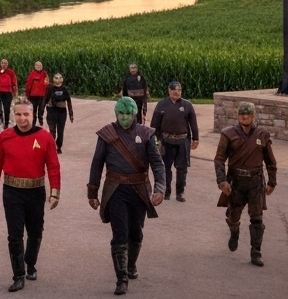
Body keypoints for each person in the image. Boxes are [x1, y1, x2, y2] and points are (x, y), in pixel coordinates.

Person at [88, 97, 166, 295]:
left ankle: (131, 265)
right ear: (116, 114)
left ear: (135, 115)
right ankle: (121, 278)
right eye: (121, 114)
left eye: (128, 114)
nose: (124, 118)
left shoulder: (146, 134)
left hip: (139, 189)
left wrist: (160, 188)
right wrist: (92, 192)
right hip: (115, 189)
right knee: (119, 234)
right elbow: (97, 163)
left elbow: (157, 163)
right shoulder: (107, 134)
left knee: (136, 232)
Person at [0, 101, 61, 292]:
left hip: (36, 192)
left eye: (26, 115)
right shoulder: (5, 137)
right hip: (12, 192)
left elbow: (53, 166)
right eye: (18, 115)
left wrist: (55, 192)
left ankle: (31, 263)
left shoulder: (44, 137)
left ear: (33, 115)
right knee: (15, 235)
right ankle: (18, 275)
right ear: (14, 116)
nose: (22, 118)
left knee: (35, 232)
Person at [214, 101, 277, 267]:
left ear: (253, 116)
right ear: (238, 115)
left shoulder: (262, 135)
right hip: (236, 181)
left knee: (257, 218)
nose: (244, 116)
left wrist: (272, 181)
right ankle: (234, 231)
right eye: (242, 113)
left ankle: (256, 252)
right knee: (232, 215)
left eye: (248, 114)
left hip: (256, 181)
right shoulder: (228, 134)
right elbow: (220, 159)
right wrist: (221, 180)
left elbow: (270, 161)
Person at [149, 81, 200, 201]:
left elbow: (193, 124)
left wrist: (196, 138)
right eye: (174, 90)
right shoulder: (161, 105)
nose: (176, 92)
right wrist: (155, 140)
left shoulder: (187, 105)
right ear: (169, 91)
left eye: (179, 90)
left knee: (182, 168)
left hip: (183, 141)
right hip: (165, 141)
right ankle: (166, 192)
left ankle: (180, 193)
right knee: (165, 167)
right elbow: (154, 125)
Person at [45, 73, 74, 151]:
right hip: (52, 111)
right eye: (56, 78)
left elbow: (69, 101)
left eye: (59, 78)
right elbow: (45, 100)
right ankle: (52, 146)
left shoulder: (64, 89)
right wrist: (40, 113)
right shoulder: (50, 88)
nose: (58, 80)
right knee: (52, 131)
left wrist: (71, 114)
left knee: (60, 131)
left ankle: (59, 146)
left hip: (62, 112)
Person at [25, 62, 50, 127]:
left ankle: (40, 118)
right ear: (35, 66)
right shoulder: (32, 74)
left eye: (40, 65)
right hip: (33, 95)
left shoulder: (45, 74)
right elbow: (28, 85)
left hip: (43, 95)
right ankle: (33, 123)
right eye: (37, 65)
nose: (38, 66)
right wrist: (27, 94)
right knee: (34, 110)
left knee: (41, 108)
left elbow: (47, 83)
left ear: (42, 66)